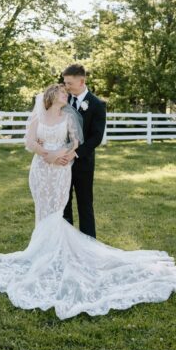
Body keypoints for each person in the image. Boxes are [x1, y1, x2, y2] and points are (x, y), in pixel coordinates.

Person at [0, 83, 176, 322]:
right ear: (51, 96)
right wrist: (49, 155)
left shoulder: (68, 117)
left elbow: (76, 140)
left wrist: (65, 155)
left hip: (61, 169)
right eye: (62, 92)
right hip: (42, 169)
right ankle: (40, 252)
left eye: (67, 92)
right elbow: (30, 142)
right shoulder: (39, 116)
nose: (66, 94)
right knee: (42, 210)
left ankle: (57, 252)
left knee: (57, 211)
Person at [60, 64, 106, 239]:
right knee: (64, 203)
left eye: (69, 83)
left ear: (81, 81)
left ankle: (88, 245)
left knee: (85, 204)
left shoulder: (97, 104)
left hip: (83, 163)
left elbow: (96, 137)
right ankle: (66, 242)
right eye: (65, 82)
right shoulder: (63, 100)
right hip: (62, 162)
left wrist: (76, 153)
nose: (66, 86)